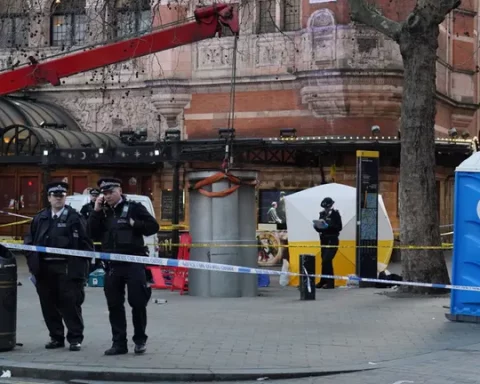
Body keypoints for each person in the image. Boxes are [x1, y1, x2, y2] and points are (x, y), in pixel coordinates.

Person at [88, 177, 159, 356]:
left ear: (120, 190)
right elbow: (90, 233)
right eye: (105, 193)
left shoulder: (134, 208)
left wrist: (136, 225)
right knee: (114, 304)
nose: (108, 196)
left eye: (111, 192)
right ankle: (119, 343)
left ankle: (140, 340)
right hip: (112, 265)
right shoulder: (103, 212)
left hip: (134, 261)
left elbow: (153, 226)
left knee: (137, 302)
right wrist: (96, 211)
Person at [24, 182, 93, 351]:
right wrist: (32, 263)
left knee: (70, 305)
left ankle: (75, 338)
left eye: (61, 195)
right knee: (48, 305)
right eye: (55, 196)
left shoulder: (75, 218)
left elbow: (86, 243)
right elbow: (29, 242)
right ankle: (56, 337)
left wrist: (83, 269)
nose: (58, 198)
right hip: (44, 269)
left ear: (65, 198)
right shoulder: (40, 217)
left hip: (67, 268)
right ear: (49, 198)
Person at [313, 197, 342, 289]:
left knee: (327, 260)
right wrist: (317, 226)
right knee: (324, 261)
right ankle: (323, 280)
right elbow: (319, 228)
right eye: (324, 207)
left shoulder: (335, 214)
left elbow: (339, 227)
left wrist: (328, 226)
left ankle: (330, 282)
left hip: (332, 239)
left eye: (327, 207)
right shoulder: (322, 214)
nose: (326, 209)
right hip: (324, 239)